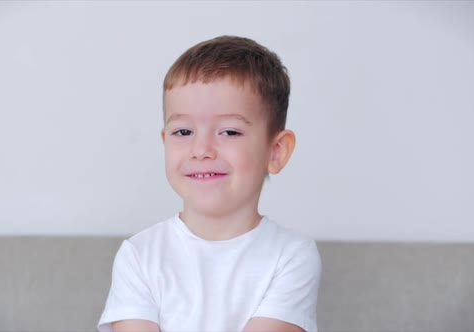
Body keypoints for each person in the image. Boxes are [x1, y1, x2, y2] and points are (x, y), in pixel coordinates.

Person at [98, 36, 321, 332]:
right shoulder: (139, 255)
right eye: (183, 131)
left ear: (275, 151)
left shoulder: (291, 256)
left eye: (229, 132)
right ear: (165, 142)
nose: (201, 149)